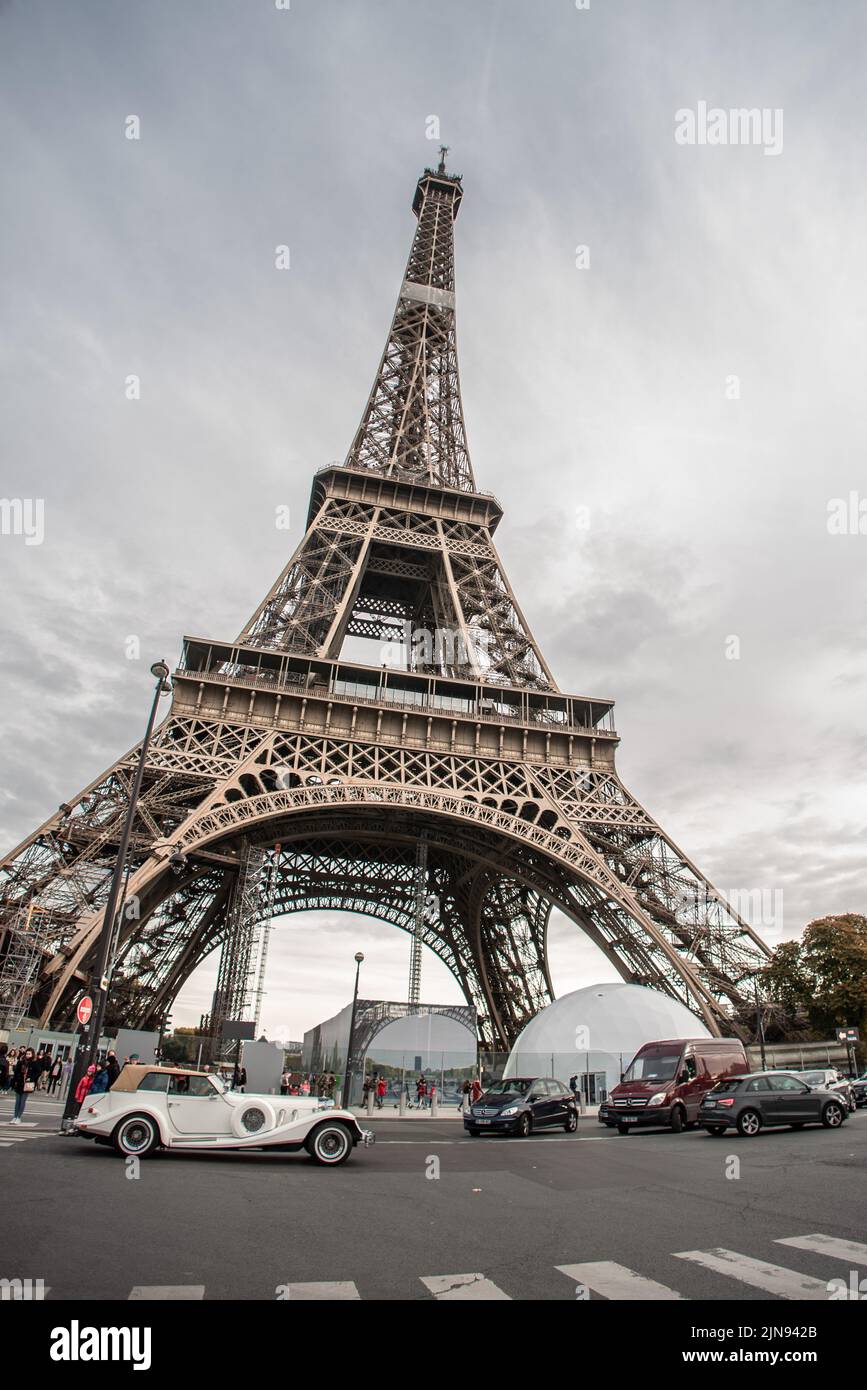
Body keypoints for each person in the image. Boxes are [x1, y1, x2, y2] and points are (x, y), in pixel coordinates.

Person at [10, 1048, 38, 1124]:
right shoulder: (21, 1062)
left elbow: (37, 1073)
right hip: (19, 1083)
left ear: (32, 1054)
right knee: (17, 1101)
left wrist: (31, 1078)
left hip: (27, 1084)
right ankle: (15, 1117)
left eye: (29, 1054)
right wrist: (14, 1082)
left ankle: (19, 1117)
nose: (28, 1055)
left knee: (22, 1101)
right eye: (27, 1053)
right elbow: (16, 1072)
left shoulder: (34, 1063)